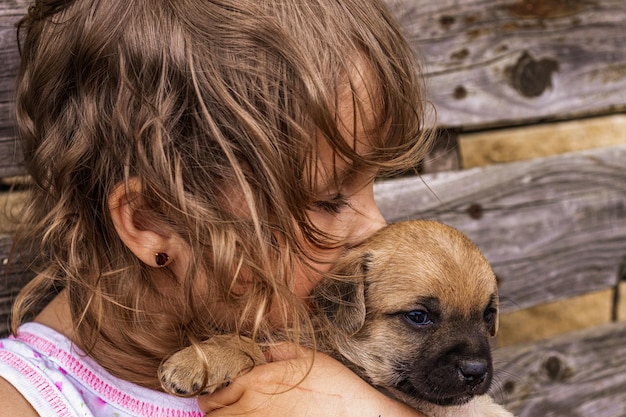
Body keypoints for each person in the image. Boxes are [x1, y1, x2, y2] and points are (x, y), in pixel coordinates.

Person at [0, 0, 434, 415]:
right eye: (328, 200)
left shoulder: (347, 362)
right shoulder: (22, 403)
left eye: (373, 184)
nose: (378, 226)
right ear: (152, 220)